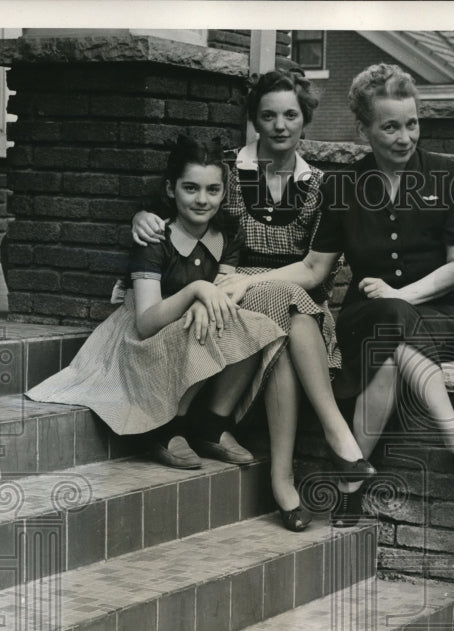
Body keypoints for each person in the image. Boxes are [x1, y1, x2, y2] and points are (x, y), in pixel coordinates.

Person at [132, 69, 372, 531]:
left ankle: (283, 479)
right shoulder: (222, 170)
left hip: (295, 298)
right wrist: (141, 215)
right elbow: (168, 202)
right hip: (229, 296)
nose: (280, 125)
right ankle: (328, 445)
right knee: (281, 314)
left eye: (290, 115)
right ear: (254, 121)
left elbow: (317, 271)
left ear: (305, 120)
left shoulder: (323, 186)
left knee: (285, 309)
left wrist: (253, 282)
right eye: (268, 116)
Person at [282, 63, 454, 526]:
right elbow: (315, 268)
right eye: (390, 127)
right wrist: (247, 281)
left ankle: (349, 484)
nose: (405, 137)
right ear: (363, 129)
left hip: (437, 315)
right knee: (386, 326)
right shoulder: (342, 187)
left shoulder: (450, 177)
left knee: (386, 355)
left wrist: (401, 293)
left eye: (412, 123)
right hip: (365, 316)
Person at [28, 135, 283, 469]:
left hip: (189, 327)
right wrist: (195, 292)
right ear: (170, 190)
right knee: (198, 320)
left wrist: (205, 298)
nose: (202, 199)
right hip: (140, 340)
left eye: (213, 190)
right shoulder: (155, 237)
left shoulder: (229, 233)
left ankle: (212, 424)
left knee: (254, 325)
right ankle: (167, 428)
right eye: (190, 188)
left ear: (224, 192)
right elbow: (146, 322)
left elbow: (221, 291)